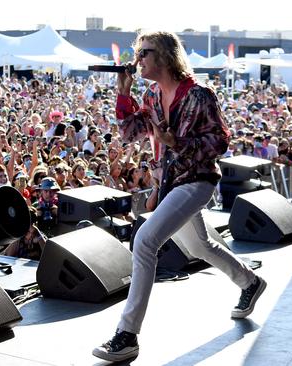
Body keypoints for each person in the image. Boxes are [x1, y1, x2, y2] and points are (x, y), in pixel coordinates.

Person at [92, 31, 266, 363]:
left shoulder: (199, 95)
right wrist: (123, 94)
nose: (139, 58)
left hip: (196, 180)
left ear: (167, 56)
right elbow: (130, 134)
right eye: (138, 52)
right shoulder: (152, 96)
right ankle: (250, 281)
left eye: (146, 52)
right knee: (199, 246)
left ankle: (127, 334)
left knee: (144, 241)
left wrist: (177, 144)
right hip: (169, 183)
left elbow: (219, 143)